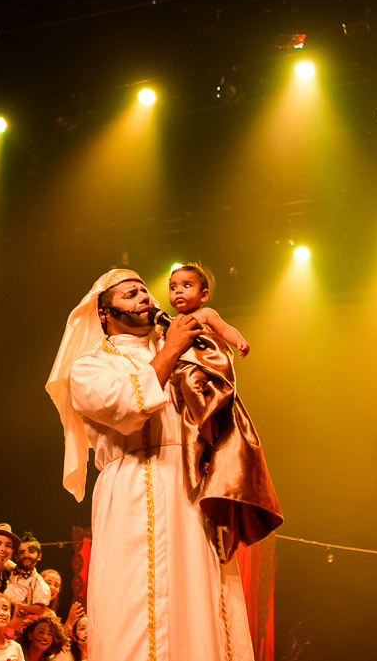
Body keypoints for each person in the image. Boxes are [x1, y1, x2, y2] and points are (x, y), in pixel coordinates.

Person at [45, 268, 258, 661]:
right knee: (135, 606)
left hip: (191, 487)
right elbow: (126, 406)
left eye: (144, 290)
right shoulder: (90, 366)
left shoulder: (185, 347)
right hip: (131, 486)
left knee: (201, 600)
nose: (143, 297)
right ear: (104, 313)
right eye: (129, 294)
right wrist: (171, 349)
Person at [168, 263, 250, 357]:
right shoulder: (171, 321)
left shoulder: (206, 314)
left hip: (206, 363)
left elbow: (225, 330)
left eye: (187, 286)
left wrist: (239, 341)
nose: (178, 291)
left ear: (203, 295)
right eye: (173, 288)